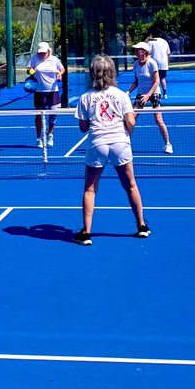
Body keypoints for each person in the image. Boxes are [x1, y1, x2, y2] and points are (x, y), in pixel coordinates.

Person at [72, 54, 149, 245]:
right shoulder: (122, 95)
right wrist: (126, 132)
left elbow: (83, 128)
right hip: (120, 144)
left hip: (97, 143)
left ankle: (87, 233)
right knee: (130, 185)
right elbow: (130, 121)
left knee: (90, 189)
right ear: (112, 73)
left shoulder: (85, 97)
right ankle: (141, 226)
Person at [127, 41, 172, 154]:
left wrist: (148, 95)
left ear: (145, 51)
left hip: (154, 93)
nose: (136, 52)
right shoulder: (136, 64)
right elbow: (136, 81)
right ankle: (126, 144)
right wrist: (128, 91)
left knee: (158, 119)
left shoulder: (152, 63)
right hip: (141, 93)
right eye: (136, 50)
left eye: (139, 50)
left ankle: (168, 144)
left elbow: (156, 82)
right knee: (132, 119)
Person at [26, 41, 66, 147]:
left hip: (53, 91)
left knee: (53, 113)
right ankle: (39, 138)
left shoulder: (54, 59)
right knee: (39, 115)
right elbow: (28, 69)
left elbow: (62, 69)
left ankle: (50, 135)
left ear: (48, 50)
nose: (42, 54)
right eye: (40, 52)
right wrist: (31, 71)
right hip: (39, 92)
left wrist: (60, 74)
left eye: (44, 52)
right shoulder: (34, 58)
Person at [147, 27, 172, 99]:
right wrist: (167, 62)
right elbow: (168, 53)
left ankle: (152, 93)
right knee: (162, 78)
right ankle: (165, 94)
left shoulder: (150, 42)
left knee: (153, 79)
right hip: (163, 64)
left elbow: (148, 52)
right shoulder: (164, 41)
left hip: (154, 64)